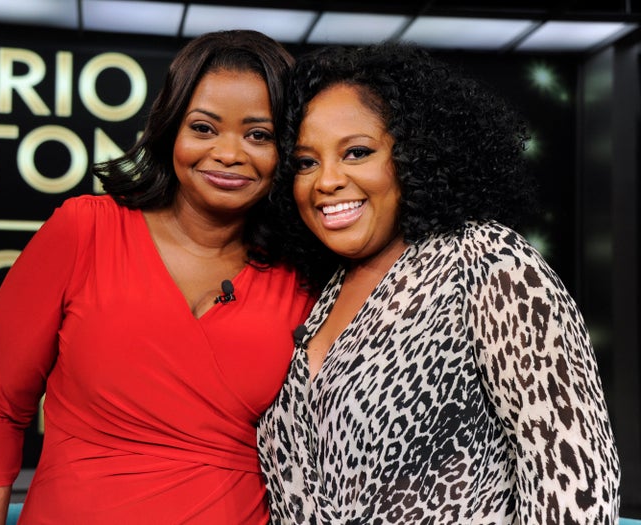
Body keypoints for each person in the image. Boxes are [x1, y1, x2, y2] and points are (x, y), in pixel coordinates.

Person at [0, 30, 314, 524]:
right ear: (170, 130)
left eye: (259, 135)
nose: (229, 153)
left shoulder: (306, 277)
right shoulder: (84, 230)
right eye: (204, 128)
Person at [257, 42, 620, 524]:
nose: (326, 181)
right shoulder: (320, 295)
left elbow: (576, 480)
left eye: (357, 152)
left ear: (415, 154)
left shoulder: (484, 261)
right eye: (305, 162)